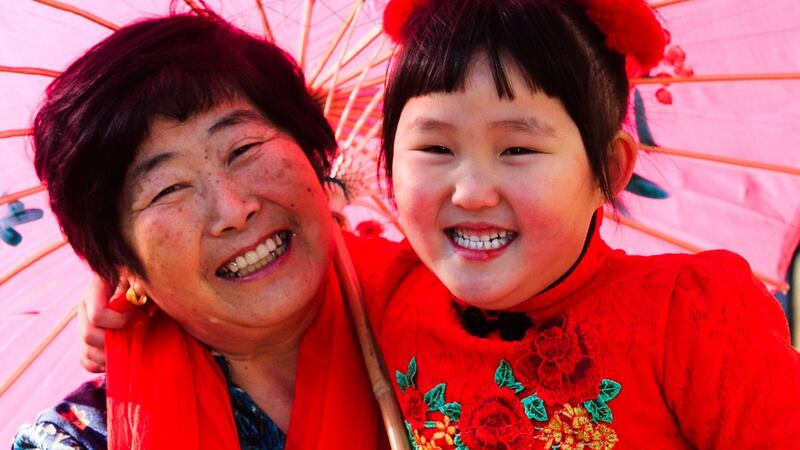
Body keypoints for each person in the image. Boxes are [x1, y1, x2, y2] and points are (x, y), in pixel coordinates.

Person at [76, 0, 800, 448]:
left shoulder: (694, 314)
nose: (473, 190)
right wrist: (117, 280)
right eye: (434, 148)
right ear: (387, 162)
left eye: (518, 148)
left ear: (609, 167)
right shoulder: (397, 305)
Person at [12, 13, 387, 450]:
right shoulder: (79, 440)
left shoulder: (457, 318)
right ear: (119, 263)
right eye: (169, 189)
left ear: (310, 153)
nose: (233, 210)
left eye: (243, 149)